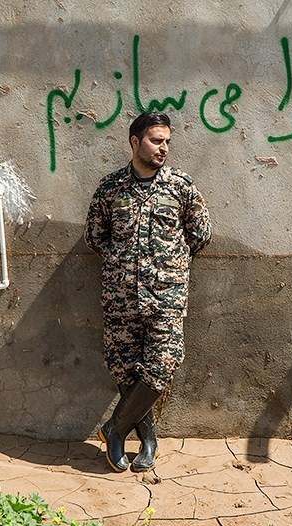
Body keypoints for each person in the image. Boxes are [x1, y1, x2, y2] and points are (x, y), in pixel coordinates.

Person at [84, 112, 212, 473]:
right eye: (157, 140)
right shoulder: (110, 188)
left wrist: (167, 265)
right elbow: (95, 237)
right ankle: (148, 440)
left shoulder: (181, 186)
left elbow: (201, 234)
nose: (164, 148)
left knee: (163, 364)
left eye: (167, 141)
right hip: (120, 297)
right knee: (125, 369)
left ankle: (115, 428)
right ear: (135, 141)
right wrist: (122, 264)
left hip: (166, 297)